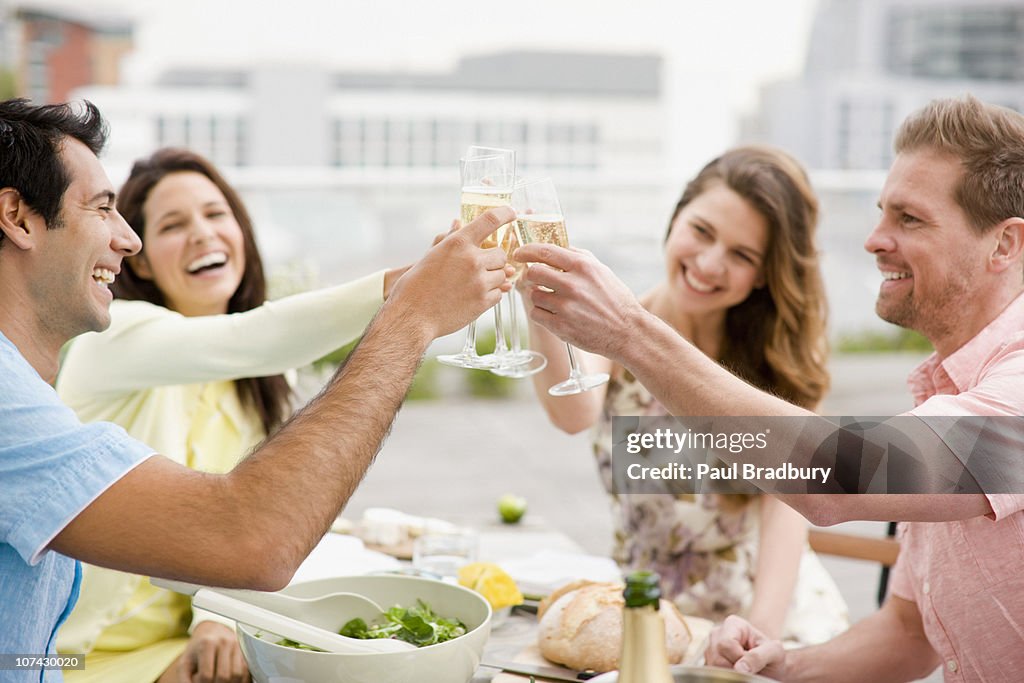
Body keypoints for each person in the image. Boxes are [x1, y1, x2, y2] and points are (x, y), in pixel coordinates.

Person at [0, 97, 514, 681]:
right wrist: (411, 300)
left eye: (216, 214)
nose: (130, 240)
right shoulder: (109, 346)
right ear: (17, 218)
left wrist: (210, 621)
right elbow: (250, 529)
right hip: (78, 661)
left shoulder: (252, 386)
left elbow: (222, 529)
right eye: (103, 209)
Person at [517, 95, 1024, 680]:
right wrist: (775, 664)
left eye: (909, 219)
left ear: (1005, 244)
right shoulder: (947, 390)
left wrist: (629, 333)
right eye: (881, 212)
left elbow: (831, 478)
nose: (873, 240)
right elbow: (909, 634)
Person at [51, 148, 409, 683]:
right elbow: (256, 337)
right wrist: (410, 289)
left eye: (215, 215)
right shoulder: (115, 336)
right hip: (60, 658)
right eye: (174, 224)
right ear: (141, 260)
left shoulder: (265, 383)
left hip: (175, 651)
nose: (202, 234)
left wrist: (217, 617)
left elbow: (251, 524)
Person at [524, 146, 846, 643]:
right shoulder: (618, 330)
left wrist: (761, 630)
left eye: (742, 255)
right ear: (675, 219)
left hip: (760, 608)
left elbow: (787, 509)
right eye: (702, 231)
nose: (710, 264)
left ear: (764, 274)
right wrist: (540, 308)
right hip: (644, 608)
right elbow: (573, 411)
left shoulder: (777, 359)